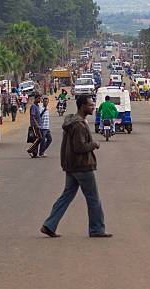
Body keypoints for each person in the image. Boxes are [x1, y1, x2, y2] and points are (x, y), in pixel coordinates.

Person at [41, 95, 112, 238]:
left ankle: (49, 225)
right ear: (82, 106)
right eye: (90, 105)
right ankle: (97, 229)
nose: (93, 107)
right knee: (93, 199)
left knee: (66, 196)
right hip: (82, 166)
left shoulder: (72, 121)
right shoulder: (78, 125)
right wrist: (94, 144)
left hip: (71, 165)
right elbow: (79, 147)